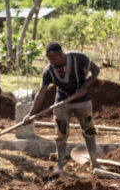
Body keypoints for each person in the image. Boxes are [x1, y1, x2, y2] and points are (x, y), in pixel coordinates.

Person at [24, 41, 100, 175]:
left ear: (61, 54)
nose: (51, 62)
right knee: (61, 133)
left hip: (83, 101)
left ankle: (95, 164)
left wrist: (84, 87)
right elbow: (41, 92)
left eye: (53, 58)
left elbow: (96, 70)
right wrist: (31, 114)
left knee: (89, 131)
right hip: (62, 102)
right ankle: (60, 166)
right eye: (48, 59)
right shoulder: (48, 70)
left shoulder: (79, 58)